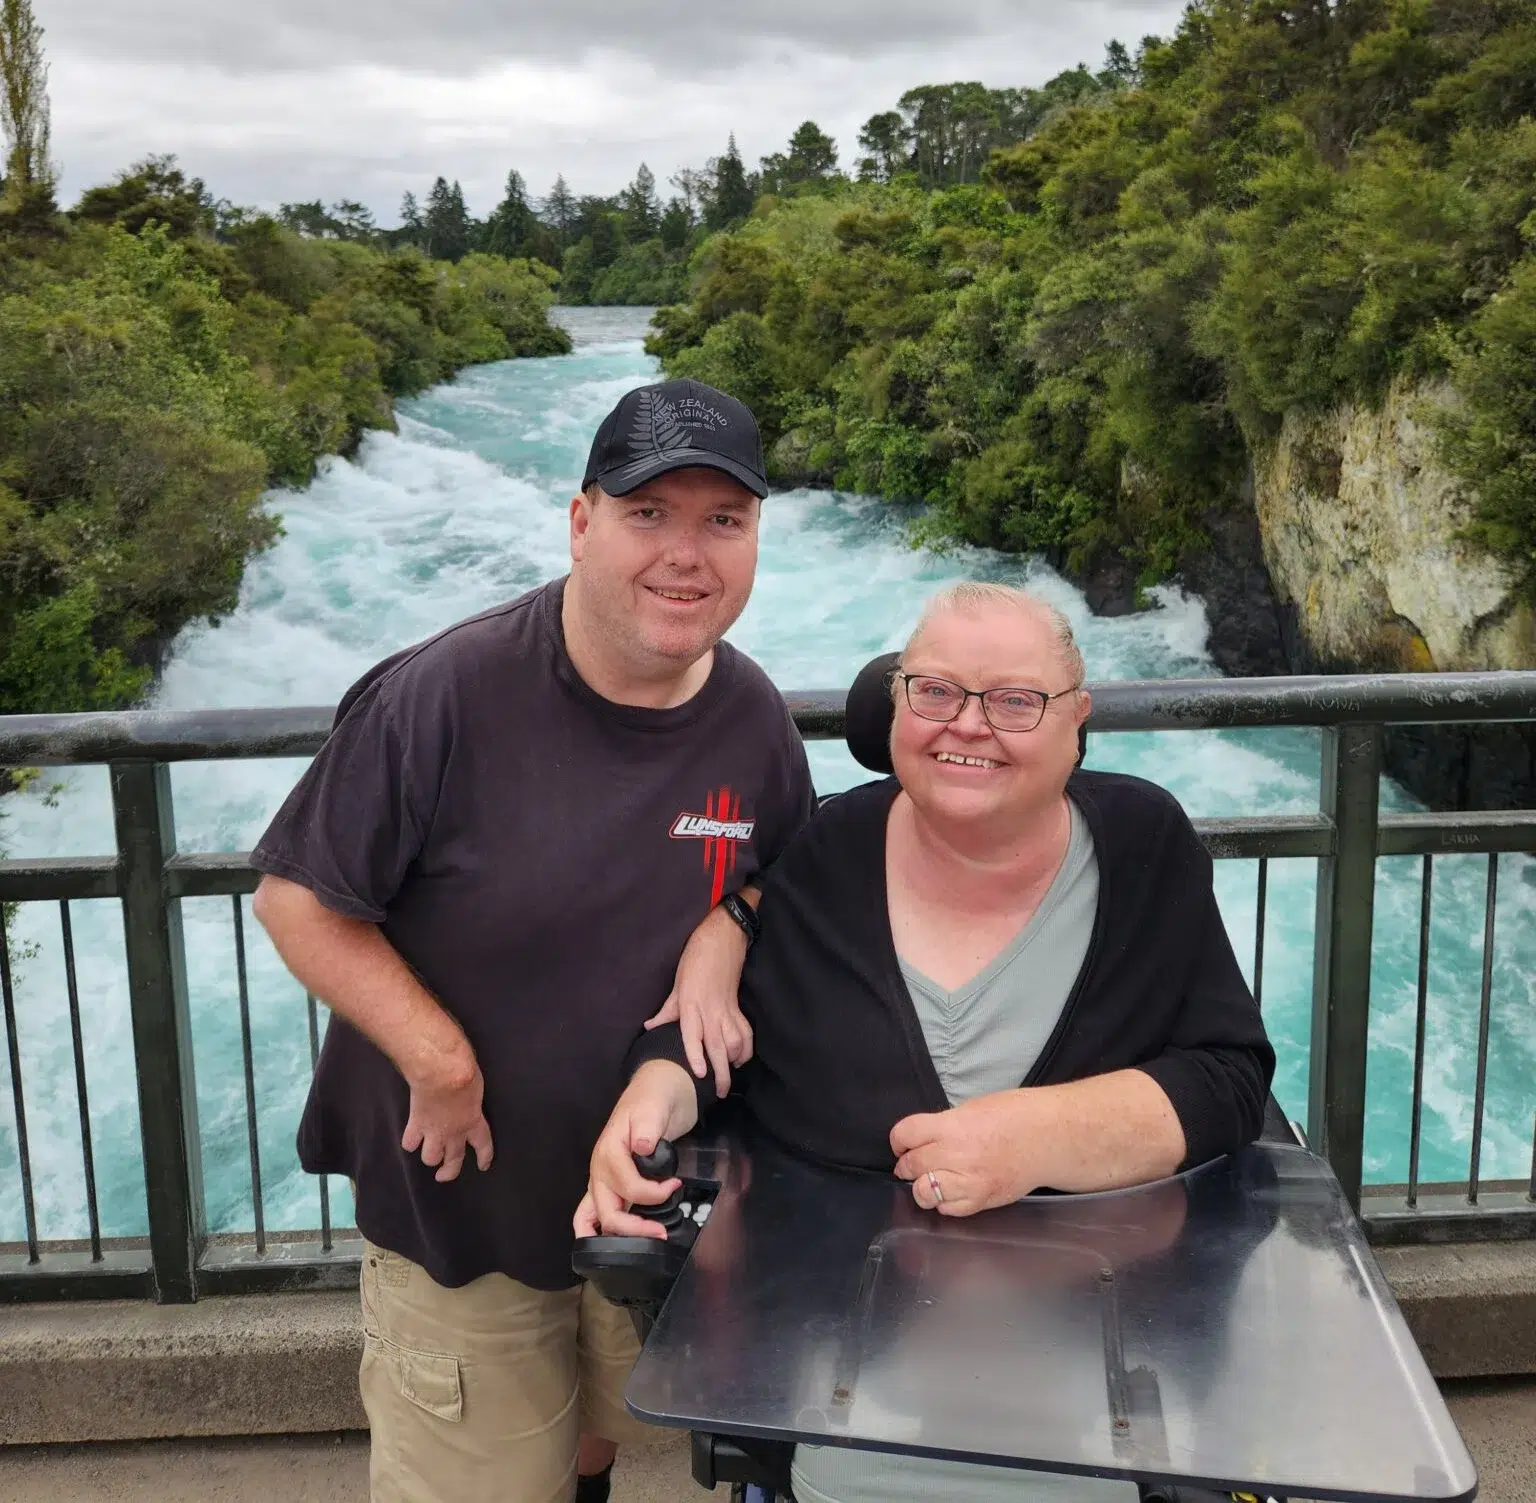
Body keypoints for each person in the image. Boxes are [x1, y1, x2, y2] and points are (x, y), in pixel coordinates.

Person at [578, 581, 1276, 1503]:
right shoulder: (829, 852)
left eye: (1016, 700)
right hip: (840, 1405)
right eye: (935, 690)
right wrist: (644, 1108)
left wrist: (1038, 1137)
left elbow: (1230, 1077)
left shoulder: (1146, 847)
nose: (968, 726)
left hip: (1096, 1404)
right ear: (896, 702)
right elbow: (710, 1043)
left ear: (1078, 721)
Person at [250, 377, 816, 1503]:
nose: (686, 556)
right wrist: (441, 1062)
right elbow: (297, 900)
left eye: (723, 521)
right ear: (581, 521)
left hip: (644, 1199)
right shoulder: (446, 695)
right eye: (649, 513)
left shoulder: (751, 718)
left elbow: (787, 889)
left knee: (597, 1440)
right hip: (463, 1207)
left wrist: (726, 923)